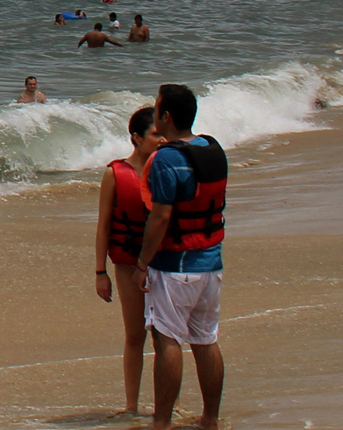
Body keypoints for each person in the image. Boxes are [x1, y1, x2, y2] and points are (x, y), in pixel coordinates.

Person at [135, 84, 227, 430]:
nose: (155, 113)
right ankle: (210, 419)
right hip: (210, 263)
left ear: (166, 116)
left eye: (157, 108)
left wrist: (142, 264)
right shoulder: (211, 148)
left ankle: (161, 423)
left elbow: (159, 218)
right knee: (206, 340)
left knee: (166, 339)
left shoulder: (167, 159)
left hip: (175, 268)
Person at [96, 106, 163, 415]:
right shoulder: (115, 173)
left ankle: (165, 405)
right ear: (136, 137)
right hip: (125, 265)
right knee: (135, 335)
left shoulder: (166, 169)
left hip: (163, 265)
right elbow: (104, 225)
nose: (161, 140)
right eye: (155, 134)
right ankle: (132, 406)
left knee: (165, 337)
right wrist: (100, 272)